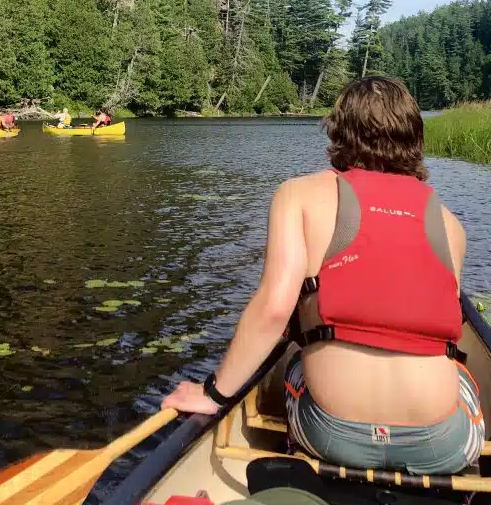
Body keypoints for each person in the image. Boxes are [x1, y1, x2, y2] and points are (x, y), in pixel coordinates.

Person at [162, 76, 484, 476]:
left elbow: (274, 307)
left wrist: (213, 393)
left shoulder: (297, 194)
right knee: (466, 377)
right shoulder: (451, 225)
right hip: (441, 444)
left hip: (330, 433)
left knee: (294, 355)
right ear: (414, 138)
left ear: (339, 132)